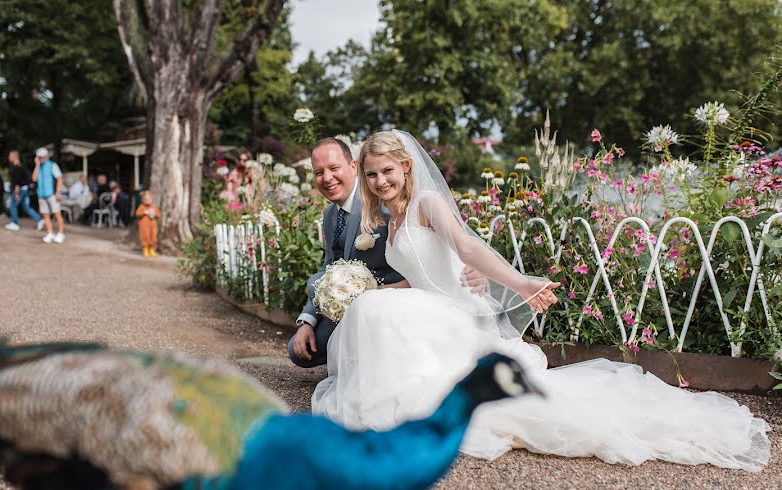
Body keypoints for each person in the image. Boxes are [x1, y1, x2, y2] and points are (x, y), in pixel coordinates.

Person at [311, 130, 769, 472]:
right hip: (434, 309)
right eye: (371, 175)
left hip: (456, 316)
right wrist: (369, 291)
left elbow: (468, 249)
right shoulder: (389, 218)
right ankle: (387, 401)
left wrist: (521, 282)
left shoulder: (427, 203)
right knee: (371, 307)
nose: (378, 180)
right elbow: (421, 278)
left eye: (386, 171)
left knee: (377, 316)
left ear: (406, 166)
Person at [287, 138, 405, 368]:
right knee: (297, 350)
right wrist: (307, 321)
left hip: (390, 305)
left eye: (333, 168)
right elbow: (328, 268)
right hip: (346, 307)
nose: (327, 178)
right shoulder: (331, 215)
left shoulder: (382, 198)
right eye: (319, 172)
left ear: (353, 167)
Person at [31, 147, 65, 244]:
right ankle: (50, 233)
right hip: (42, 195)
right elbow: (34, 179)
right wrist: (37, 165)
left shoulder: (52, 165)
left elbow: (59, 178)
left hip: (52, 194)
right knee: (45, 214)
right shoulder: (39, 166)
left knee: (57, 213)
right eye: (39, 157)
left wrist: (58, 192)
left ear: (46, 156)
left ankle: (60, 233)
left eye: (42, 157)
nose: (40, 159)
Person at [5, 150, 44, 231]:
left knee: (13, 205)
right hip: (25, 189)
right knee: (26, 207)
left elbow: (17, 182)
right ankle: (39, 220)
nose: (8, 158)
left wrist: (16, 193)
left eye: (10, 156)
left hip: (20, 190)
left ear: (14, 157)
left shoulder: (16, 168)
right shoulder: (22, 167)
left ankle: (14, 223)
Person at [134, 190, 160, 257]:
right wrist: (144, 212)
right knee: (145, 236)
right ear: (142, 200)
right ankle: (145, 249)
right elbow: (137, 213)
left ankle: (152, 249)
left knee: (153, 236)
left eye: (149, 199)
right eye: (145, 199)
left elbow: (158, 215)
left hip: (153, 225)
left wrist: (154, 214)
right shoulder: (141, 206)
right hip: (144, 226)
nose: (147, 200)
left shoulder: (154, 207)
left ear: (151, 199)